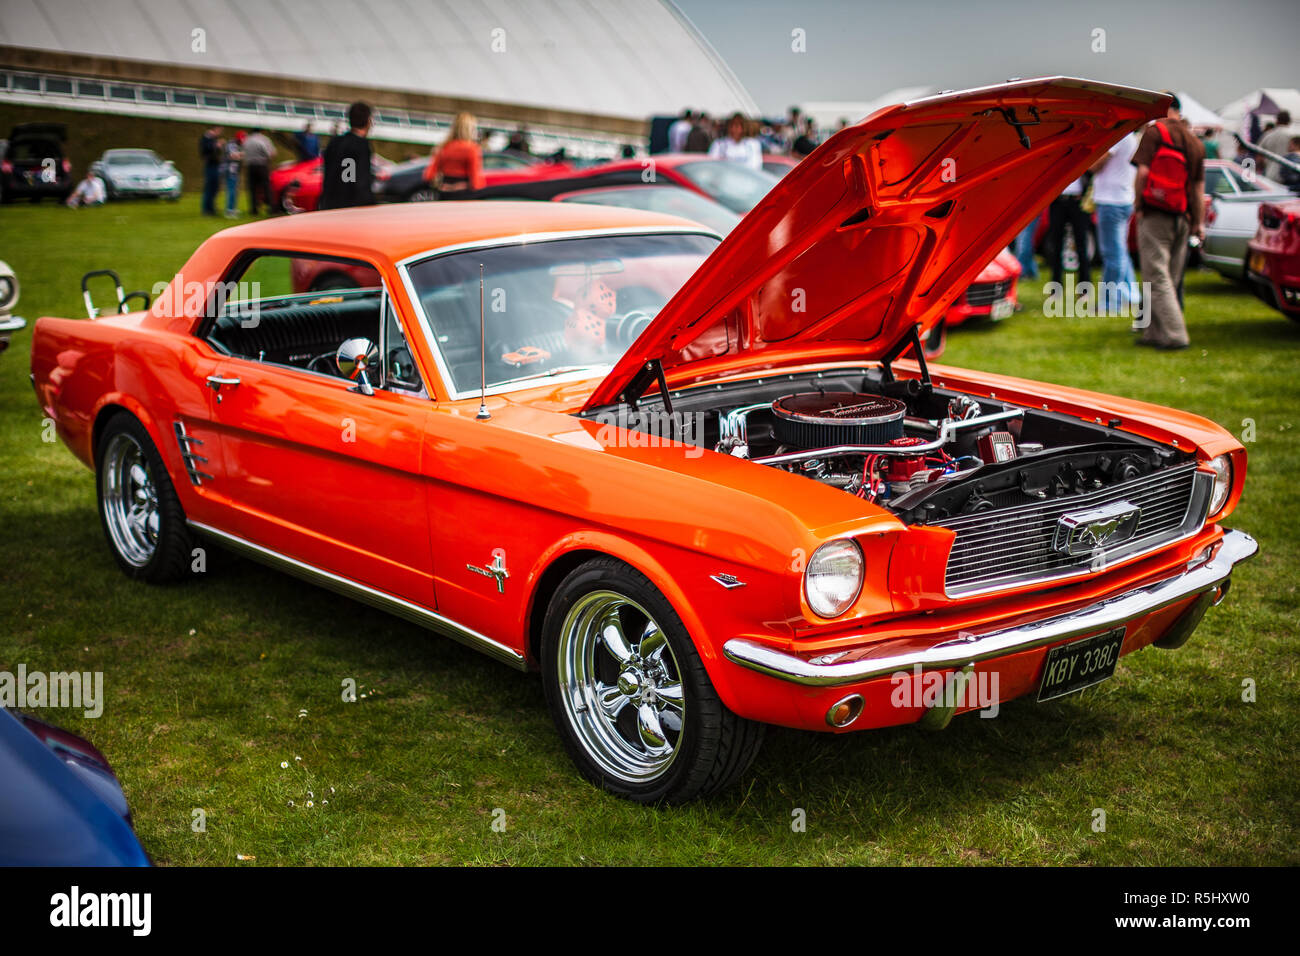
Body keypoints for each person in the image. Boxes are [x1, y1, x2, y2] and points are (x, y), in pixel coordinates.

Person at [1132, 93, 1205, 350]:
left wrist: (1139, 204)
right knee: (1169, 279)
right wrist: (1198, 222)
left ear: (1165, 108)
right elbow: (1198, 187)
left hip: (1156, 213)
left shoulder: (1155, 133)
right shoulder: (1195, 141)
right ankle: (1153, 333)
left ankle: (1175, 335)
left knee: (1156, 277)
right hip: (1183, 217)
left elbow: (1142, 173)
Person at [1090, 130, 1139, 314]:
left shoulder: (1120, 136)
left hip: (1111, 201)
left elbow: (1095, 165)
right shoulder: (1131, 137)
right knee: (1120, 252)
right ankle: (1131, 295)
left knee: (1112, 255)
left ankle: (1110, 303)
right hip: (1122, 198)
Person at [320, 101, 376, 210]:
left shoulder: (334, 142)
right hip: (350, 207)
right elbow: (359, 180)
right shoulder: (361, 145)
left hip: (329, 204)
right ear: (368, 121)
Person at [424, 112, 484, 197]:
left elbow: (429, 175)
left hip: (444, 191)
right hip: (463, 193)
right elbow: (475, 180)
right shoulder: (472, 148)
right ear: (470, 129)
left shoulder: (443, 147)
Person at [1046, 176, 1091, 291]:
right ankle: (1056, 285)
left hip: (1078, 200)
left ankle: (1084, 286)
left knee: (1082, 244)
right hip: (1058, 200)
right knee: (1056, 245)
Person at [242, 127, 275, 215]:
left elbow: (243, 153)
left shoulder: (247, 140)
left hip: (250, 166)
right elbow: (269, 153)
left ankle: (254, 209)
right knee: (266, 187)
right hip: (261, 165)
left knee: (252, 187)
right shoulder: (264, 139)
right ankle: (271, 207)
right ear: (261, 130)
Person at [1257, 110, 1297, 181]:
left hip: (1270, 174)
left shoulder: (1267, 135)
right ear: (1289, 121)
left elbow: (1259, 158)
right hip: (1289, 176)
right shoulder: (1294, 135)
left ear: (1276, 121)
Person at [199, 125, 222, 215]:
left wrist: (218, 147)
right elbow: (204, 151)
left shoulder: (213, 139)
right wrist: (215, 145)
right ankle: (206, 209)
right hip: (210, 166)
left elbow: (217, 153)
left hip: (215, 165)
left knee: (214, 188)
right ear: (215, 129)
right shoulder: (206, 138)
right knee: (209, 188)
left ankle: (212, 207)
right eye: (219, 130)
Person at [221, 131, 243, 218]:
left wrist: (240, 155)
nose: (242, 141)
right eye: (241, 139)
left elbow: (238, 156)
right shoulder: (231, 144)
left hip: (234, 171)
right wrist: (243, 154)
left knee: (235, 191)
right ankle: (229, 211)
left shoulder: (238, 145)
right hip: (229, 171)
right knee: (231, 190)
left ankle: (233, 208)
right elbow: (233, 156)